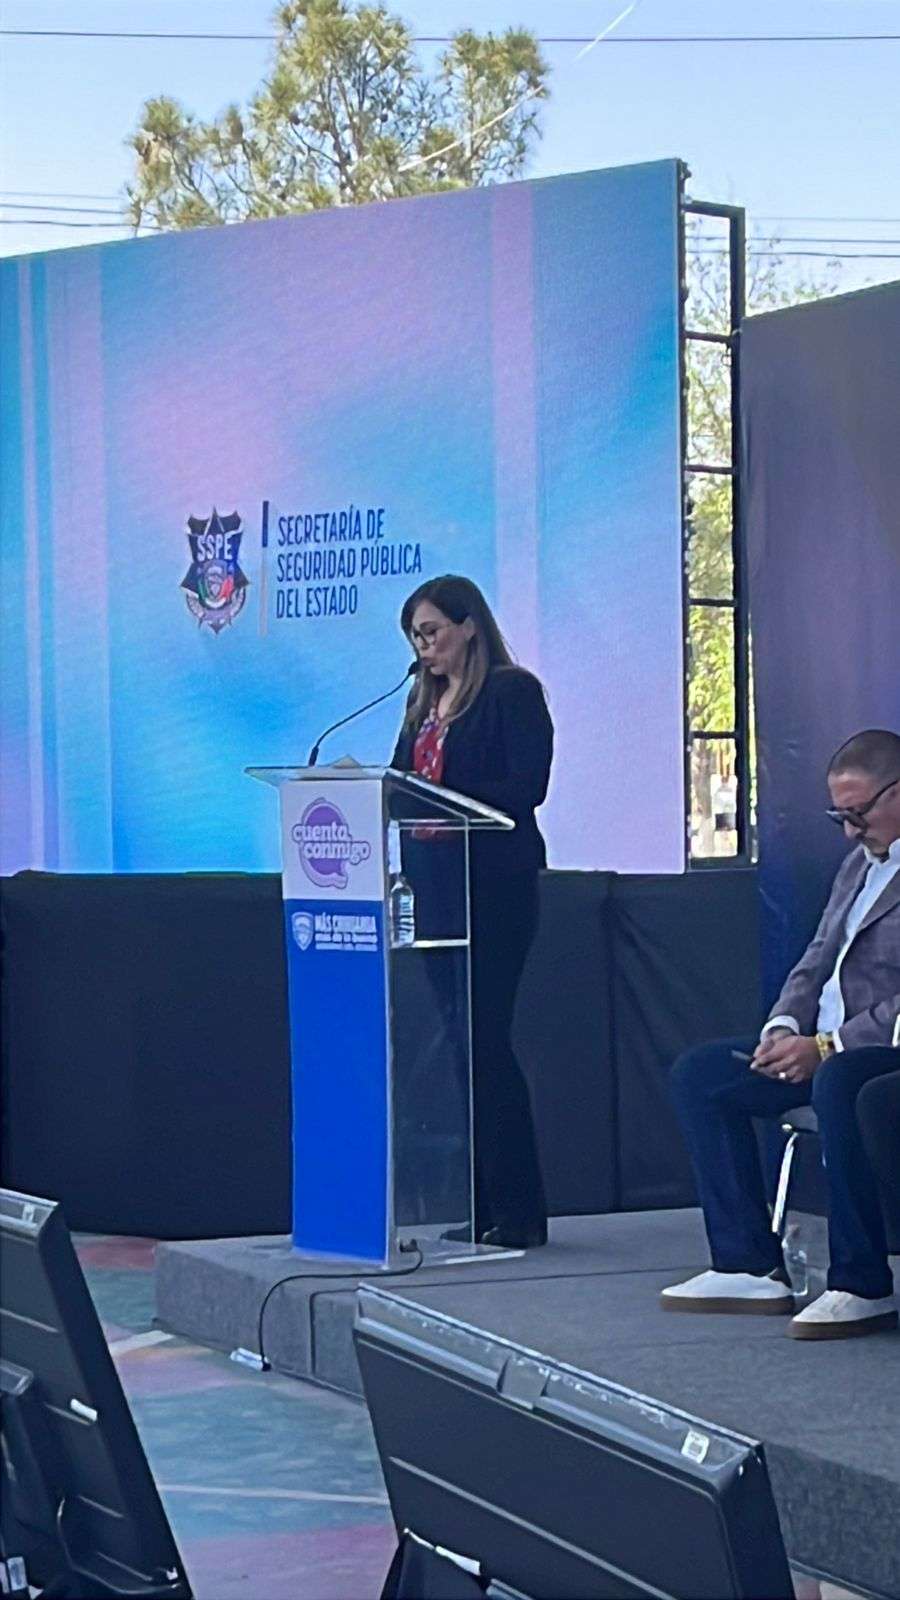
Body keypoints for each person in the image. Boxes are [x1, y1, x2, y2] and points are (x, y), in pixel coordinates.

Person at [663, 729, 900, 1339]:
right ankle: (746, 1263)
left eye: (859, 814)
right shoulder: (859, 865)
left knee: (840, 1081)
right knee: (703, 1074)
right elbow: (817, 957)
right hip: (820, 1045)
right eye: (839, 817)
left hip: (879, 1051)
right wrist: (784, 1027)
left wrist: (828, 1047)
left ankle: (861, 1282)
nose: (849, 831)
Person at [391, 575, 554, 1249]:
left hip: (494, 887)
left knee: (486, 1040)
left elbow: (526, 785)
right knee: (460, 1045)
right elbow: (400, 784)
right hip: (434, 889)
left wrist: (440, 788)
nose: (422, 647)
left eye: (431, 631)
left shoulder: (511, 693)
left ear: (468, 626)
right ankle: (480, 1203)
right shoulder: (422, 703)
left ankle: (520, 1209)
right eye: (414, 636)